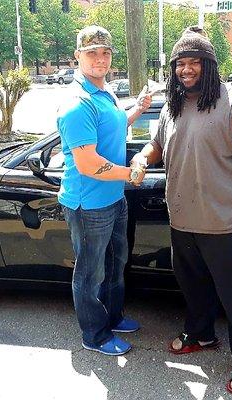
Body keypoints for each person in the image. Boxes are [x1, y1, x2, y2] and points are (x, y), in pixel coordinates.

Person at [131, 26, 232, 394]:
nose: (186, 69)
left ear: (209, 66)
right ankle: (201, 334)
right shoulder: (173, 105)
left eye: (195, 62)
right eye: (181, 63)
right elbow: (157, 144)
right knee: (192, 286)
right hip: (183, 219)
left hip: (226, 223)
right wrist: (142, 157)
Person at [57, 25, 153, 356]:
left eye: (105, 52)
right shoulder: (77, 104)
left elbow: (113, 125)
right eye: (92, 52)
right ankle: (94, 335)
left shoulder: (105, 92)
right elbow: (86, 163)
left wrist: (138, 109)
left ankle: (112, 317)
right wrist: (131, 172)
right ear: (77, 58)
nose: (100, 58)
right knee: (90, 272)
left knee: (115, 264)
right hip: (88, 204)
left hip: (113, 198)